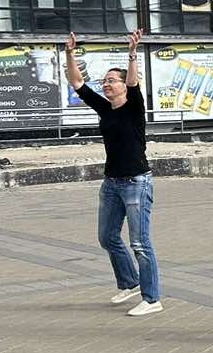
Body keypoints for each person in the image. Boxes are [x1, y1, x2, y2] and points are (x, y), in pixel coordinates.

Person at [64, 29, 162, 316]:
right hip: (112, 183)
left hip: (136, 182)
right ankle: (129, 281)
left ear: (123, 86)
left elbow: (133, 82)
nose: (106, 84)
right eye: (104, 81)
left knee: (140, 243)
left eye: (111, 81)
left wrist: (132, 53)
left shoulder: (134, 106)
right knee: (107, 237)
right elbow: (77, 82)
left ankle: (152, 299)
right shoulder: (104, 108)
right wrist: (70, 53)